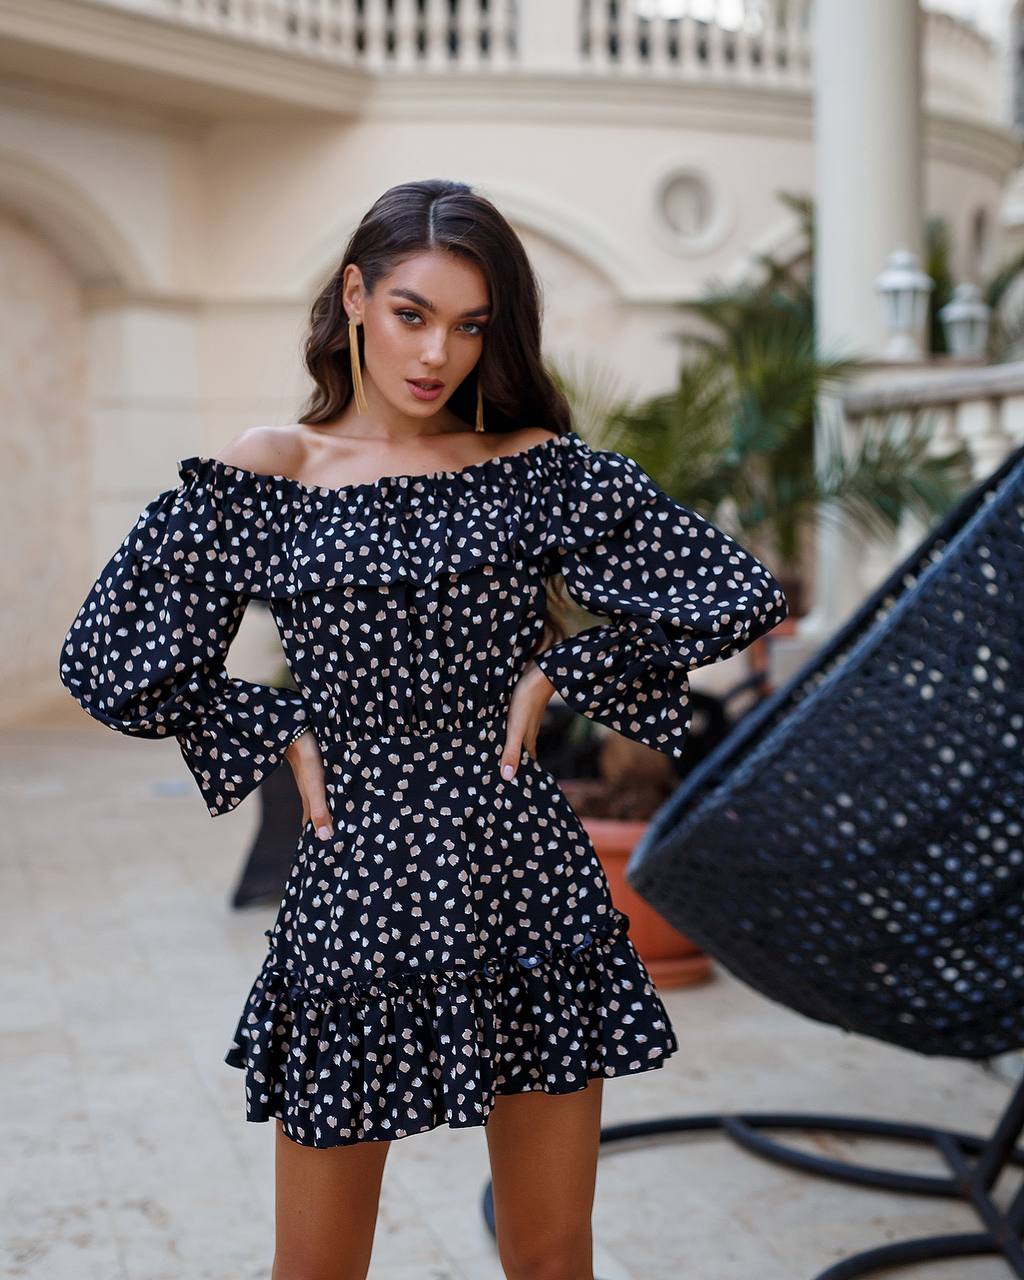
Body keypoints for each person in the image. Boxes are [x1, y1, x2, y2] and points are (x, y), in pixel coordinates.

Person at [58, 178, 789, 1280]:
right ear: (354, 295)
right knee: (315, 1267)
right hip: (357, 879)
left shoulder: (527, 468)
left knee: (550, 1257)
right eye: (411, 311)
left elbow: (733, 590)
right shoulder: (277, 472)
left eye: (468, 324)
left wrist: (560, 667)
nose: (436, 352)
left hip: (521, 870)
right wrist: (269, 723)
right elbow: (108, 657)